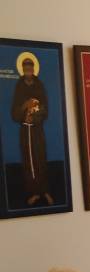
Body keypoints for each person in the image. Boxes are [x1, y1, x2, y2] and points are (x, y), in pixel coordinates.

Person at [11, 53, 55, 206]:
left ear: (34, 69)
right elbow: (14, 112)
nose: (28, 71)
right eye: (25, 68)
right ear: (23, 70)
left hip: (37, 130)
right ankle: (33, 193)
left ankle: (45, 190)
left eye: (30, 68)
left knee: (40, 158)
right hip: (25, 130)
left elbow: (45, 110)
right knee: (28, 161)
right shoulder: (19, 86)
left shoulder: (39, 85)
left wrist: (34, 117)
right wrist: (25, 107)